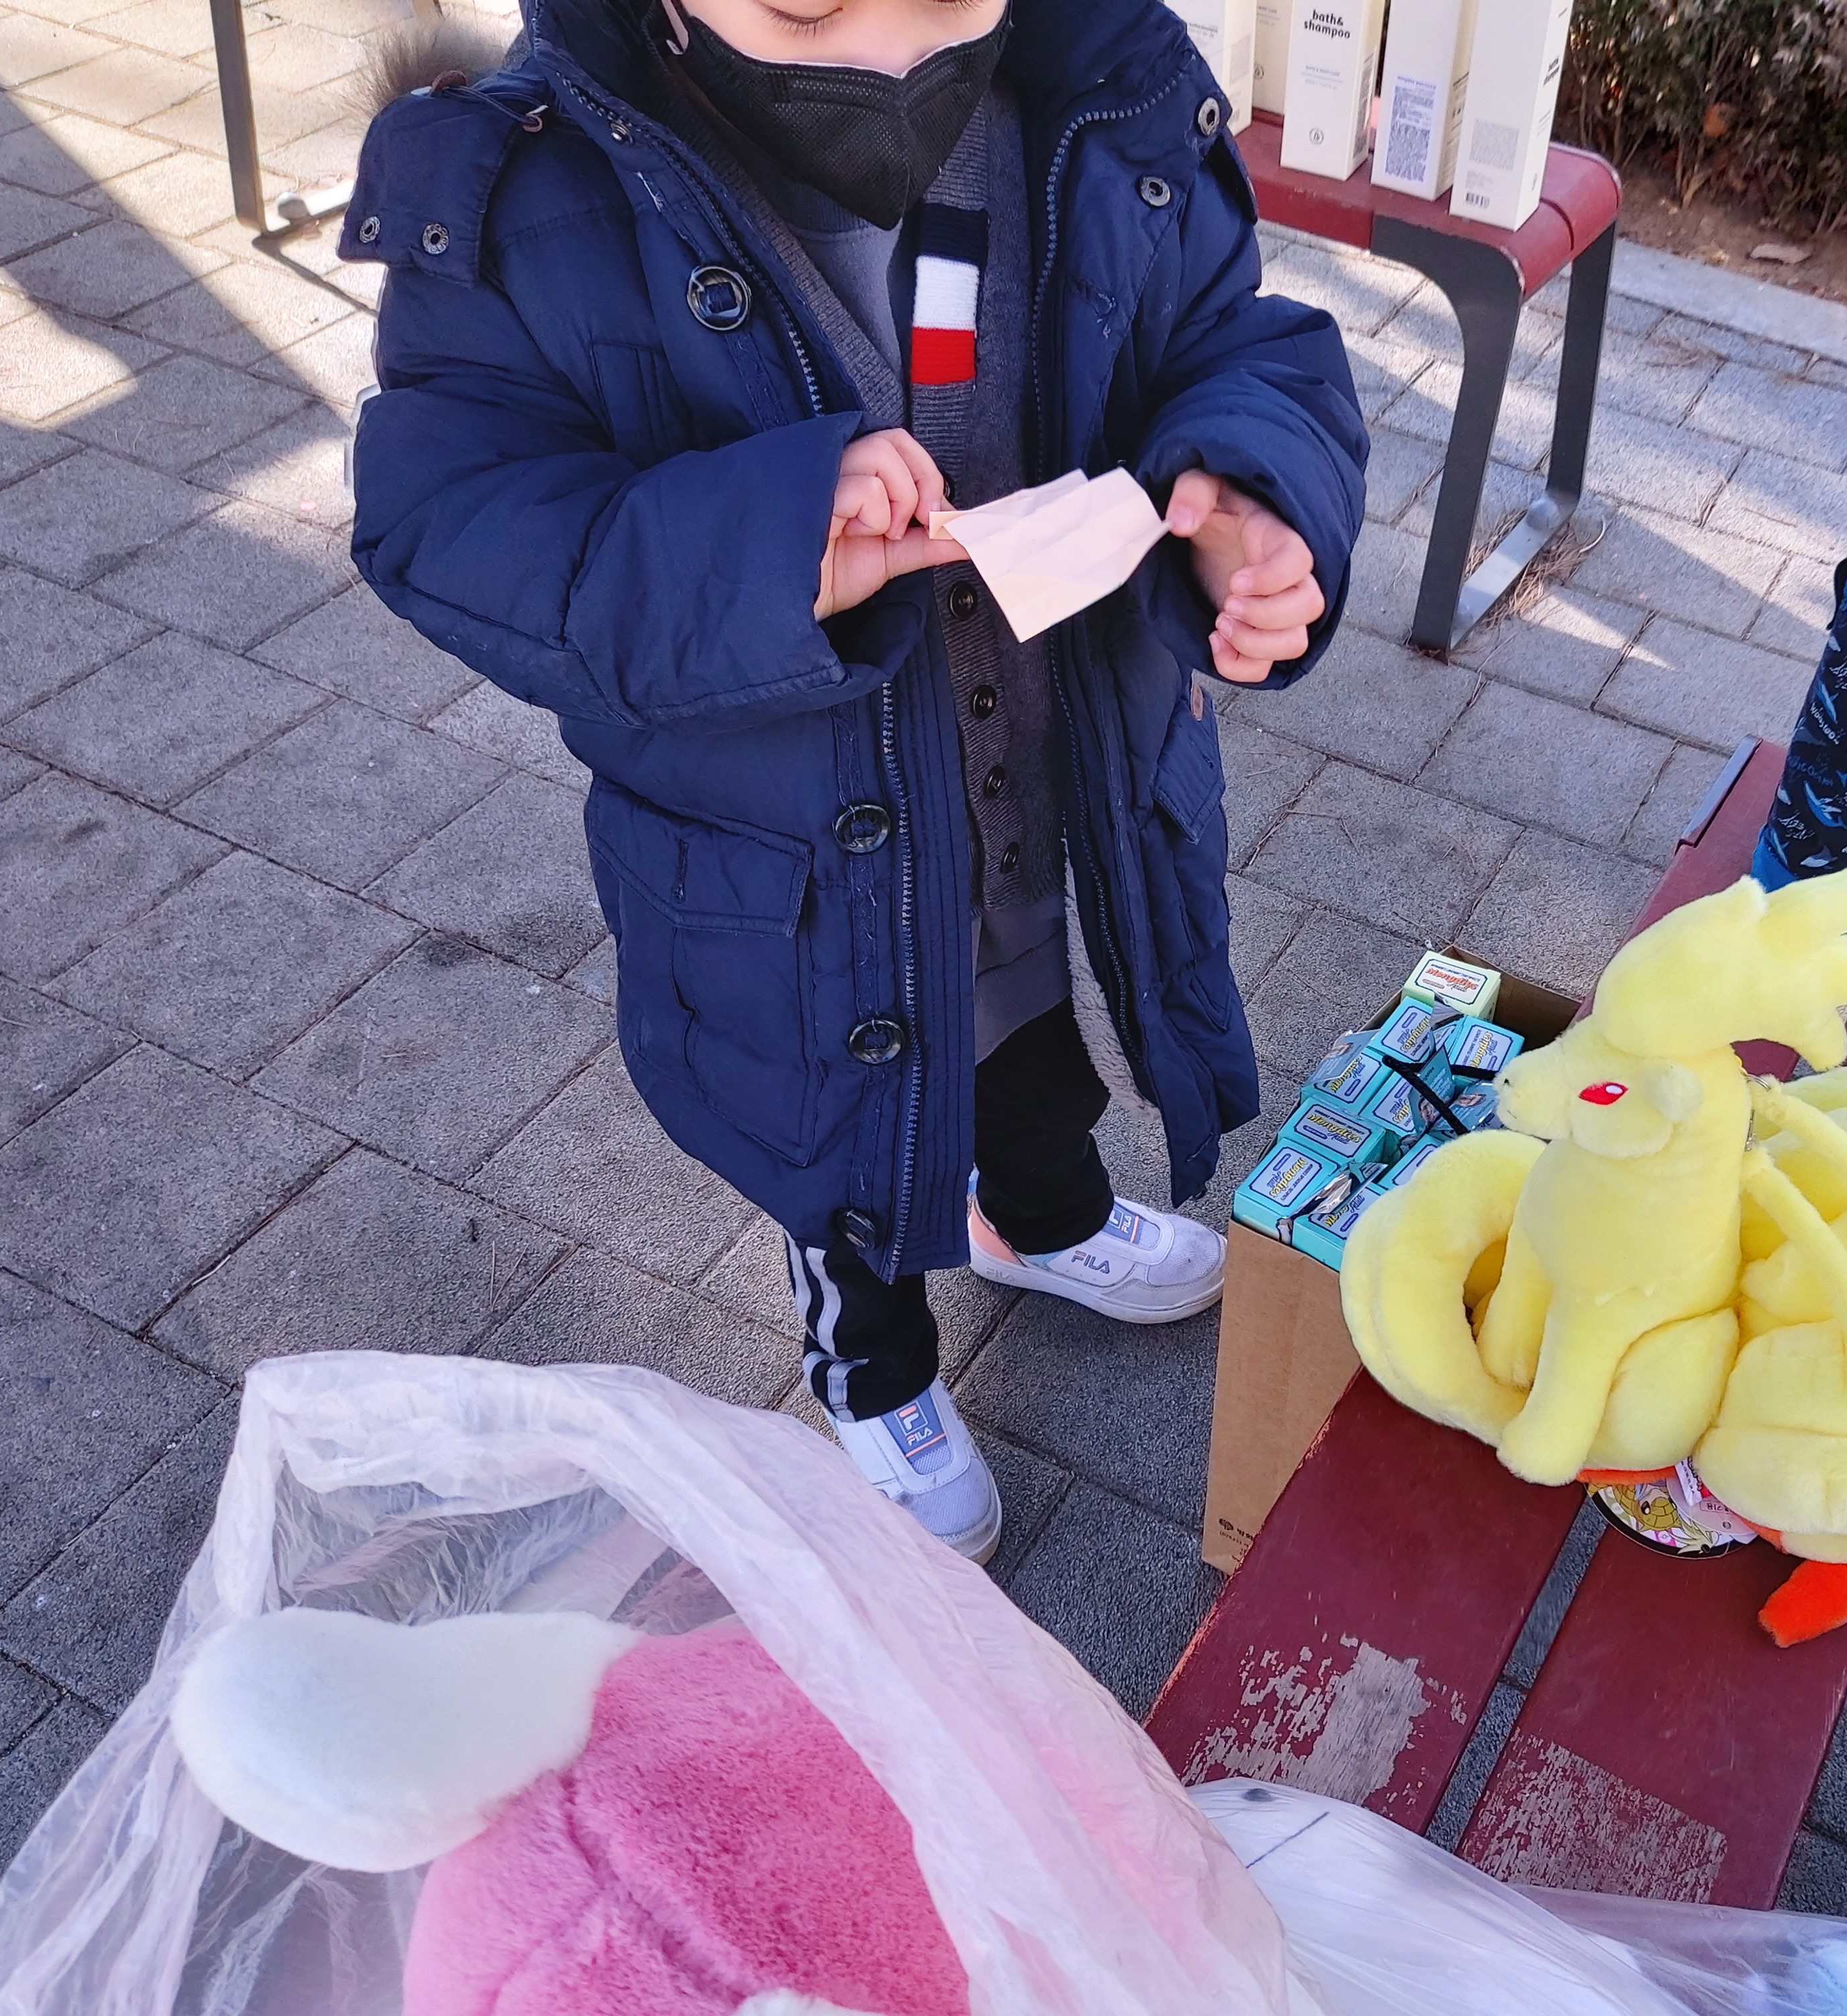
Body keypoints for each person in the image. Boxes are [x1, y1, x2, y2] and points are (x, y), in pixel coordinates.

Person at [342, 0, 1368, 1563]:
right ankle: (872, 1366)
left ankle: (1042, 1213)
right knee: (840, 1128)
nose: (896, 55)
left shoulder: (1104, 88)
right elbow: (456, 522)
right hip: (791, 863)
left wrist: (1249, 494)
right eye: (810, 2)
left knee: (1028, 1026)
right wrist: (769, 543)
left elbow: (1228, 341)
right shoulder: (524, 192)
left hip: (1041, 771)